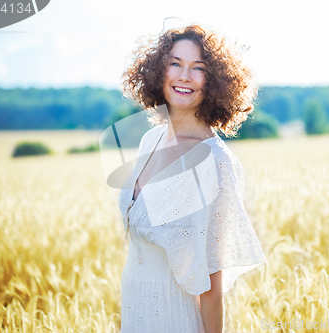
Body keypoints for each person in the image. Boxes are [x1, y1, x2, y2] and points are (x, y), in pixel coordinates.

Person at [118, 24, 266, 333]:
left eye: (198, 68)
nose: (184, 75)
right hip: (135, 313)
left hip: (176, 319)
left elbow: (211, 283)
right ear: (159, 71)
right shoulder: (150, 140)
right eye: (175, 63)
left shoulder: (215, 162)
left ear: (214, 82)